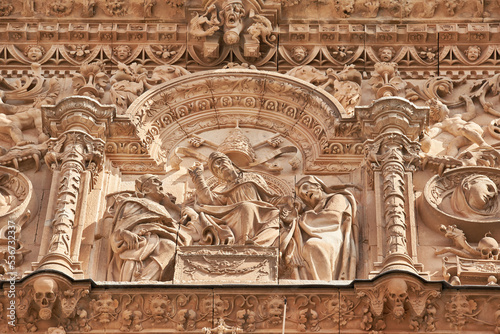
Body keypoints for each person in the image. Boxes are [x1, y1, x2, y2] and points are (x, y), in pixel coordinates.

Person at [107, 174, 192, 281]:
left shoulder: (164, 209)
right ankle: (144, 279)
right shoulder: (133, 204)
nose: (160, 183)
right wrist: (125, 234)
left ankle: (147, 279)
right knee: (169, 247)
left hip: (157, 241)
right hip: (141, 242)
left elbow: (174, 227)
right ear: (146, 189)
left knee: (172, 248)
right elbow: (119, 230)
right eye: (155, 181)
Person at [188, 151, 281, 246]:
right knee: (246, 206)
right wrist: (198, 177)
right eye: (215, 169)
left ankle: (259, 242)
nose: (218, 167)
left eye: (220, 162)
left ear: (230, 162)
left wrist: (287, 202)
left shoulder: (254, 177)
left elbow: (268, 197)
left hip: (260, 212)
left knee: (276, 215)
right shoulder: (222, 189)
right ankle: (244, 242)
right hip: (235, 216)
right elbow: (210, 201)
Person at [295, 176, 357, 281]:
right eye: (302, 195)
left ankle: (324, 285)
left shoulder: (337, 198)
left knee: (313, 245)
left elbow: (332, 218)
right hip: (321, 234)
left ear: (318, 186)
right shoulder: (312, 211)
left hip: (333, 235)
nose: (305, 193)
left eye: (306, 187)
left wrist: (301, 219)